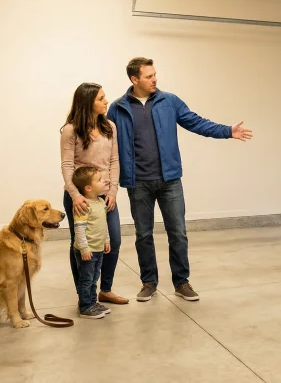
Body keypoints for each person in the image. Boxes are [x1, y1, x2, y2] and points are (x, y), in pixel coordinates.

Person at [108, 57, 253, 302]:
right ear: (134, 79)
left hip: (169, 180)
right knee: (144, 235)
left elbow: (196, 122)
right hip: (138, 182)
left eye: (155, 74)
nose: (154, 79)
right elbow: (105, 139)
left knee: (178, 232)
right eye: (148, 76)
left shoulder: (169, 101)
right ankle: (149, 282)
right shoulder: (118, 107)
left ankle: (182, 282)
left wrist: (227, 131)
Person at [60, 83, 129, 306]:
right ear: (88, 102)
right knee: (81, 245)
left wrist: (114, 190)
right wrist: (74, 195)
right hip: (81, 198)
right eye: (101, 98)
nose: (106, 101)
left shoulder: (110, 127)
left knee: (113, 240)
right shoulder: (71, 130)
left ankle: (105, 289)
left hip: (105, 195)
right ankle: (85, 296)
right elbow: (68, 165)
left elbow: (114, 161)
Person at [70, 166, 112, 319]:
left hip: (98, 248)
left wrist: (106, 240)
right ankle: (85, 307)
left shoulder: (100, 202)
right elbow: (79, 230)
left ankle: (93, 303)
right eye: (99, 180)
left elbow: (103, 224)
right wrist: (84, 249)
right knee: (86, 279)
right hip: (87, 250)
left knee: (94, 278)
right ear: (88, 188)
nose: (104, 182)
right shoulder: (83, 205)